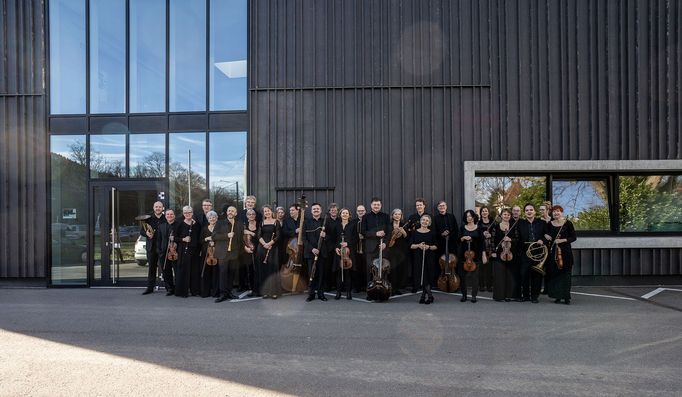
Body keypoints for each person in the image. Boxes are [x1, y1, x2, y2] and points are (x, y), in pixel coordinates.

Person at [544, 205, 577, 305]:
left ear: (561, 212)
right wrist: (546, 236)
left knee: (566, 274)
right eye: (554, 212)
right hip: (553, 251)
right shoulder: (550, 224)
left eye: (558, 211)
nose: (556, 213)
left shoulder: (568, 223)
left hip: (565, 252)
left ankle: (566, 297)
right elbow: (546, 235)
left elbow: (574, 237)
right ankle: (557, 296)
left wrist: (562, 240)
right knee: (555, 274)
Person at [361, 197, 390, 301]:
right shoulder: (366, 217)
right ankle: (370, 293)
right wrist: (375, 233)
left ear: (381, 205)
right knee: (370, 270)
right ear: (371, 205)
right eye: (374, 204)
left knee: (383, 270)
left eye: (378, 204)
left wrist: (385, 243)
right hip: (370, 248)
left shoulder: (386, 216)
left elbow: (389, 232)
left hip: (382, 248)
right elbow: (363, 232)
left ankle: (384, 291)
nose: (376, 206)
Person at [213, 206, 244, 302]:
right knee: (223, 273)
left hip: (234, 253)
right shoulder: (220, 223)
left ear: (236, 213)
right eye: (229, 211)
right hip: (223, 253)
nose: (230, 212)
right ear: (227, 212)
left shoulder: (239, 224)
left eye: (233, 211)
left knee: (231, 274)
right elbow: (214, 236)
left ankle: (229, 292)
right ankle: (222, 294)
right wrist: (226, 235)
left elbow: (240, 239)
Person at [517, 203, 544, 303]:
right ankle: (526, 296)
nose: (529, 212)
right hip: (525, 253)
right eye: (527, 210)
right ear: (524, 213)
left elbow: (547, 235)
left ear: (534, 211)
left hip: (538, 253)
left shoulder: (541, 223)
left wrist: (542, 240)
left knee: (536, 276)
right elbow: (518, 238)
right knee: (524, 275)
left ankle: (534, 297)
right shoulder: (521, 223)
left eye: (531, 210)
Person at [491, 208, 518, 302]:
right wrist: (493, 252)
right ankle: (499, 296)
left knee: (509, 275)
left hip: (511, 253)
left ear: (510, 216)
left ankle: (509, 295)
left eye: (508, 215)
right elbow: (492, 240)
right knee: (499, 275)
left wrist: (511, 240)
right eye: (504, 214)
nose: (506, 216)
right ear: (501, 215)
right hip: (499, 254)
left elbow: (517, 239)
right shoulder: (496, 226)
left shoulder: (513, 226)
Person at [409, 215, 438, 304]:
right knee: (422, 276)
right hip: (418, 257)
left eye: (427, 221)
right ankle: (429, 296)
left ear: (429, 223)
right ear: (420, 221)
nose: (425, 222)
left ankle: (426, 296)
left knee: (426, 277)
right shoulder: (414, 232)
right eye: (423, 220)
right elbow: (411, 245)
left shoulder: (432, 233)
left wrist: (428, 246)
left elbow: (436, 246)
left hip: (429, 258)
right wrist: (419, 245)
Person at [432, 201, 459, 292]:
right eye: (440, 206)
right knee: (440, 264)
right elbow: (434, 232)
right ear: (438, 208)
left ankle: (454, 282)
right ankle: (441, 282)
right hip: (440, 245)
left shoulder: (451, 217)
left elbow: (456, 230)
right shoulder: (435, 218)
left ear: (446, 207)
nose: (442, 207)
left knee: (452, 263)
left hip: (451, 244)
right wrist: (441, 234)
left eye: (443, 205)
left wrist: (450, 234)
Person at [256, 205, 282, 299]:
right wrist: (264, 244)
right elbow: (258, 235)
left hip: (273, 248)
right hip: (262, 248)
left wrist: (270, 243)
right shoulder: (262, 222)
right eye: (265, 211)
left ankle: (273, 291)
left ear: (272, 211)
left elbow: (278, 235)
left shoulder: (276, 222)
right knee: (263, 269)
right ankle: (265, 292)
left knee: (272, 269)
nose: (267, 212)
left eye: (268, 211)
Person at [141, 201, 166, 295]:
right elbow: (141, 232)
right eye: (156, 207)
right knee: (151, 268)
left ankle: (169, 288)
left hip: (162, 247)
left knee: (165, 268)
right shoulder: (148, 218)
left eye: (160, 207)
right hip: (151, 247)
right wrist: (146, 234)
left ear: (163, 208)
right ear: (153, 207)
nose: (158, 208)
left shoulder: (166, 218)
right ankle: (150, 288)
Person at [304, 203, 328, 301]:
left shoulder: (325, 222)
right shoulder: (306, 222)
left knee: (321, 274)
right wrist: (312, 249)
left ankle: (321, 293)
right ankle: (311, 294)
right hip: (311, 253)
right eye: (314, 209)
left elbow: (332, 237)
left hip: (322, 253)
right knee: (311, 274)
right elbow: (304, 238)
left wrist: (325, 236)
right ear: (311, 211)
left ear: (321, 210)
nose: (316, 210)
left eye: (318, 209)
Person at [332, 208, 357, 300]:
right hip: (339, 252)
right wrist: (336, 248)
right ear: (340, 214)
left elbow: (356, 239)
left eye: (347, 213)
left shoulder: (353, 225)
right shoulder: (336, 225)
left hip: (348, 253)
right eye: (343, 213)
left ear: (349, 215)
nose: (345, 214)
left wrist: (348, 244)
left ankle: (348, 292)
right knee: (339, 273)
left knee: (348, 273)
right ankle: (338, 292)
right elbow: (333, 239)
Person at [459, 210, 483, 303]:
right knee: (463, 277)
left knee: (474, 277)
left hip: (475, 256)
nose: (469, 218)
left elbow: (481, 242)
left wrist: (483, 254)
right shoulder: (462, 227)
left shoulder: (479, 228)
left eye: (470, 216)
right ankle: (464, 295)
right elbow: (458, 239)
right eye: (467, 216)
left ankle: (474, 296)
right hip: (463, 256)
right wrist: (463, 238)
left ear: (474, 217)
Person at [176, 206, 200, 298]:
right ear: (183, 214)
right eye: (185, 213)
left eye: (189, 212)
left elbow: (198, 238)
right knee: (184, 271)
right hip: (184, 250)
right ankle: (183, 291)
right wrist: (183, 239)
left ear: (192, 213)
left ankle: (194, 290)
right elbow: (175, 238)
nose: (187, 214)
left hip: (195, 251)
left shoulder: (196, 224)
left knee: (194, 271)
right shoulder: (180, 224)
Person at [156, 209, 180, 295]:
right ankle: (170, 289)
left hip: (176, 252)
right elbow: (158, 239)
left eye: (171, 214)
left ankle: (178, 288)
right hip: (164, 252)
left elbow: (181, 237)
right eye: (168, 214)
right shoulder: (161, 226)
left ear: (174, 215)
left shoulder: (179, 225)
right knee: (166, 271)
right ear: (165, 216)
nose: (169, 216)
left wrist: (176, 243)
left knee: (177, 271)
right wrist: (159, 251)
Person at [386, 208, 409, 294]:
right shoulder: (388, 225)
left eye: (399, 214)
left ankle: (398, 287)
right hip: (390, 250)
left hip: (401, 250)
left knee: (400, 269)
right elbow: (386, 238)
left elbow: (408, 239)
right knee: (392, 269)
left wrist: (404, 233)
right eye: (395, 214)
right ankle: (392, 287)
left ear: (401, 216)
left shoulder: (404, 226)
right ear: (392, 215)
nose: (397, 216)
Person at [199, 210, 220, 298]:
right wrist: (206, 239)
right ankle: (205, 292)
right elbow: (200, 241)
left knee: (216, 273)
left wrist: (215, 242)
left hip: (217, 253)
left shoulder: (220, 229)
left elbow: (223, 240)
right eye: (210, 217)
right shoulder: (204, 229)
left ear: (216, 218)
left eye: (213, 217)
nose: (212, 219)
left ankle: (215, 292)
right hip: (206, 254)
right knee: (206, 273)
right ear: (208, 219)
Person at [478, 206, 495, 292]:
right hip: (481, 246)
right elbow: (477, 235)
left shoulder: (493, 222)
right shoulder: (478, 223)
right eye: (483, 211)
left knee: (490, 268)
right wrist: (482, 234)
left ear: (488, 212)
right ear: (480, 213)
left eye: (486, 211)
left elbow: (495, 234)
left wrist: (490, 235)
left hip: (490, 247)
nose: (484, 212)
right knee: (481, 267)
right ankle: (481, 285)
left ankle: (489, 285)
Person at [242, 209, 259, 295]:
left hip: (258, 250)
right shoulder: (244, 225)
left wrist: (252, 233)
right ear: (247, 216)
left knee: (258, 269)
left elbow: (260, 235)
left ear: (255, 216)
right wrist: (245, 248)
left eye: (253, 214)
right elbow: (241, 238)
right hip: (247, 250)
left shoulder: (259, 224)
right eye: (249, 214)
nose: (251, 215)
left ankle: (258, 288)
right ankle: (251, 288)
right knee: (250, 270)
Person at [351, 204, 367, 293]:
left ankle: (365, 286)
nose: (361, 212)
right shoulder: (353, 222)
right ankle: (357, 287)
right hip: (356, 249)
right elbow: (350, 235)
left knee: (365, 269)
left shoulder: (367, 221)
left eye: (362, 211)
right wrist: (357, 237)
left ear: (365, 211)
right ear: (357, 212)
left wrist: (363, 237)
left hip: (366, 249)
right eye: (359, 211)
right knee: (356, 268)